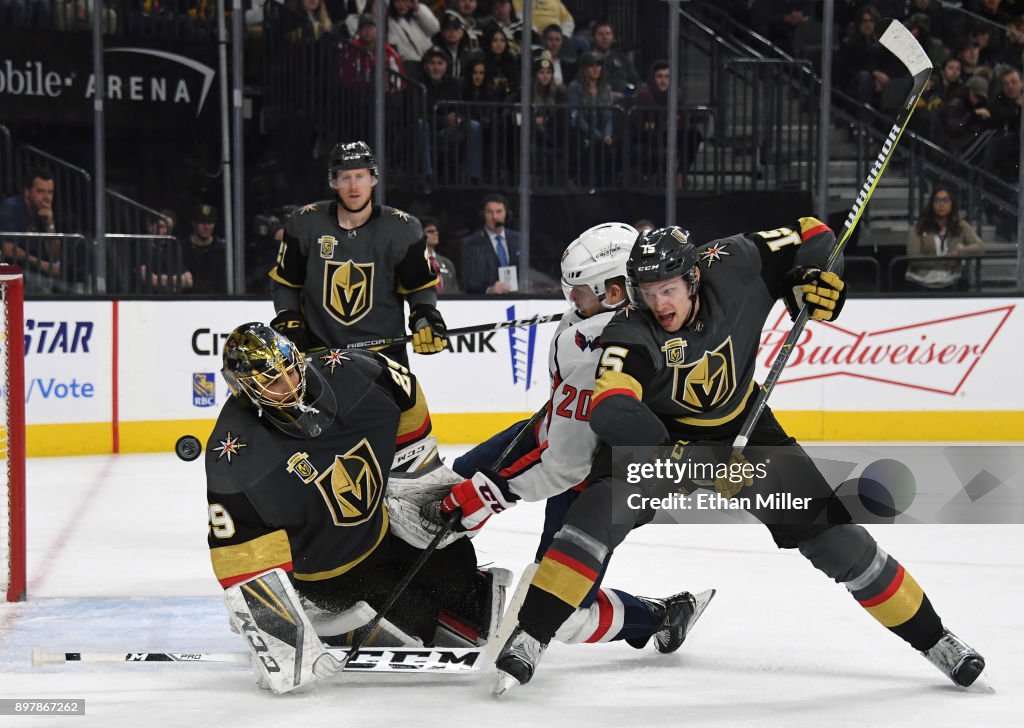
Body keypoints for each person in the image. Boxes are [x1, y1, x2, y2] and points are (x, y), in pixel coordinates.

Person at [485, 221, 985, 693]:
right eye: (647, 291)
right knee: (591, 518)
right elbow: (613, 408)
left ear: (694, 276)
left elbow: (815, 232)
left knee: (838, 541)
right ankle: (531, 635)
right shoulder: (629, 330)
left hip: (749, 433)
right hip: (666, 442)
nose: (658, 303)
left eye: (669, 290)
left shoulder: (735, 261)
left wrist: (811, 280)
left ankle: (936, 639)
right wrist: (679, 457)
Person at [439, 222, 714, 674]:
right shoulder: (602, 320)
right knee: (452, 483)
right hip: (559, 427)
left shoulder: (605, 349)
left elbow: (566, 464)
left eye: (577, 293)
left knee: (564, 611)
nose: (570, 301)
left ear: (612, 290)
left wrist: (492, 495)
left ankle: (662, 616)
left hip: (594, 476)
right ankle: (446, 595)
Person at [206, 322, 509, 694]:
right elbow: (240, 557)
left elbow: (407, 396)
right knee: (412, 617)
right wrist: (280, 635)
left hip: (383, 534)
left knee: (457, 561)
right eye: (272, 381)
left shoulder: (354, 373)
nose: (289, 385)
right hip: (328, 577)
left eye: (290, 369)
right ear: (244, 390)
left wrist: (411, 475)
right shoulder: (236, 454)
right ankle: (324, 620)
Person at [269, 141, 447, 366]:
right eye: (345, 177)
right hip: (318, 355)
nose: (354, 186)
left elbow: (420, 288)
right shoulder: (305, 223)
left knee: (413, 403)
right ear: (334, 182)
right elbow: (285, 283)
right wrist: (288, 316)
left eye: (360, 176)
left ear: (373, 179)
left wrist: (425, 319)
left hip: (384, 357)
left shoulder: (403, 229)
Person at [905, 186, 984, 290]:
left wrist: (960, 252)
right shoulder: (918, 227)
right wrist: (945, 260)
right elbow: (913, 258)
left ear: (952, 204)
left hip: (951, 282)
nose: (941, 204)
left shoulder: (961, 225)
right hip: (921, 283)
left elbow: (980, 248)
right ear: (932, 204)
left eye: (945, 200)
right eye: (937, 201)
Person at [0, 167, 62, 288]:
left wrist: (49, 224)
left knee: (71, 288)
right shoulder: (10, 209)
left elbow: (55, 255)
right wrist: (41, 264)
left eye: (50, 192)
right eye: (40, 191)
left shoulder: (45, 213)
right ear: (27, 192)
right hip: (12, 272)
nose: (47, 198)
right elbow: (7, 248)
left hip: (35, 272)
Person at [458, 193, 520, 294]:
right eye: (489, 212)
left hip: (517, 300)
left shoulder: (518, 240)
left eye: (499, 212)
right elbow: (467, 281)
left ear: (507, 214)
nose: (494, 217)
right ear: (483, 215)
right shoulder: (471, 243)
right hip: (486, 302)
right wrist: (489, 290)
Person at [589, 20, 641, 100]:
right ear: (593, 37)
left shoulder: (622, 58)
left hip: (625, 101)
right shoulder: (587, 58)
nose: (604, 37)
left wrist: (625, 95)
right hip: (598, 102)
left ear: (613, 37)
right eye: (600, 34)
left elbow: (636, 82)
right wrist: (609, 95)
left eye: (608, 34)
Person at [181, 204, 228, 294]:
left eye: (210, 223)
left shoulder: (222, 249)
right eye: (202, 222)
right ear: (193, 223)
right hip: (187, 300)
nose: (206, 227)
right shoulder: (182, 247)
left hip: (216, 300)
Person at [421, 215, 460, 293]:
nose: (436, 233)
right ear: (420, 235)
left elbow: (455, 291)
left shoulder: (447, 264)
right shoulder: (412, 264)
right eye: (430, 231)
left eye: (436, 231)